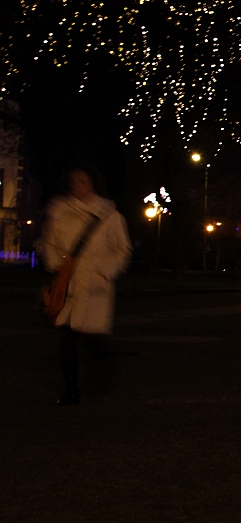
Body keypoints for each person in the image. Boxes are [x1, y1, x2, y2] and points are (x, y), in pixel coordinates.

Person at [39, 166, 131, 406]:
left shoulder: (110, 216)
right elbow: (49, 241)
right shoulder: (60, 211)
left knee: (91, 337)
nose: (76, 185)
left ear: (92, 184)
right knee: (67, 337)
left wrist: (103, 273)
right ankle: (71, 389)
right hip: (68, 283)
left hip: (93, 285)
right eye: (73, 180)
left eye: (82, 180)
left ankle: (104, 370)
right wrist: (56, 266)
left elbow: (122, 250)